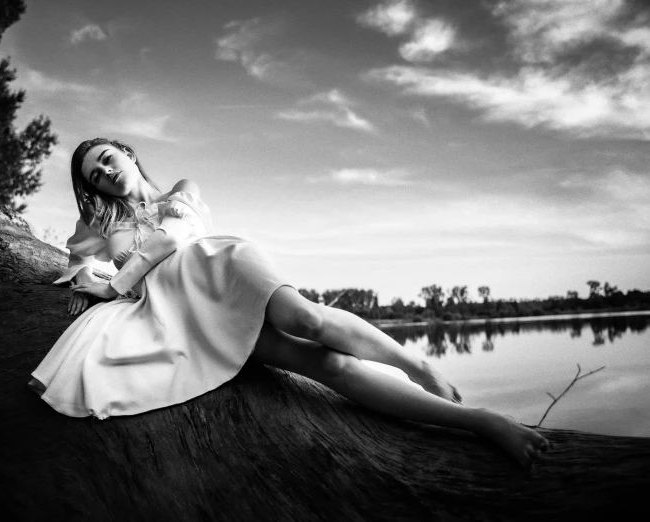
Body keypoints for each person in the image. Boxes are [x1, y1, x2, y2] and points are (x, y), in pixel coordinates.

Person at [29, 138, 549, 468]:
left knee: (307, 318)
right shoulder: (100, 226)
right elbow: (78, 264)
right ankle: (480, 421)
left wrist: (117, 279)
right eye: (94, 176)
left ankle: (417, 362)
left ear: (128, 153)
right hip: (181, 311)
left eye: (106, 159)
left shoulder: (182, 190)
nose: (104, 172)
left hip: (220, 267)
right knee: (325, 364)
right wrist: (94, 276)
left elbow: (169, 238)